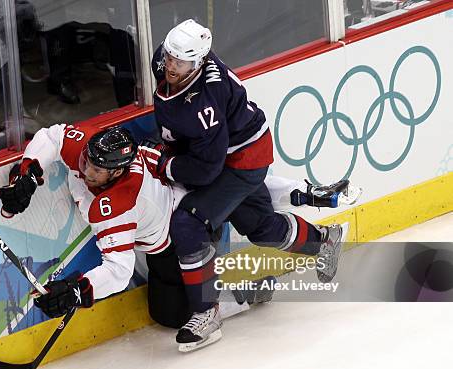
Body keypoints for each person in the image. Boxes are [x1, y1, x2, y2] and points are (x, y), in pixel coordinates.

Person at [0, 124, 358, 348]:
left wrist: (79, 289)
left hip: (183, 229)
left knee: (259, 219)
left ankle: (314, 214)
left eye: (96, 169)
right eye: (87, 162)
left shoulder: (117, 203)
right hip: (179, 196)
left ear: (118, 172)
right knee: (167, 313)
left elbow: (118, 269)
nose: (85, 171)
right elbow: (51, 136)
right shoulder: (93, 153)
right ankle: (246, 291)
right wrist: (28, 174)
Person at [150, 19, 350, 350]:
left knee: (188, 224)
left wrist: (166, 164)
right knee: (259, 226)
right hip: (230, 150)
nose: (171, 66)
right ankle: (325, 241)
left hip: (242, 161)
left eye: (180, 62)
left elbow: (206, 171)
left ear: (199, 61)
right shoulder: (173, 58)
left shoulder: (205, 103)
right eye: (170, 57)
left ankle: (206, 314)